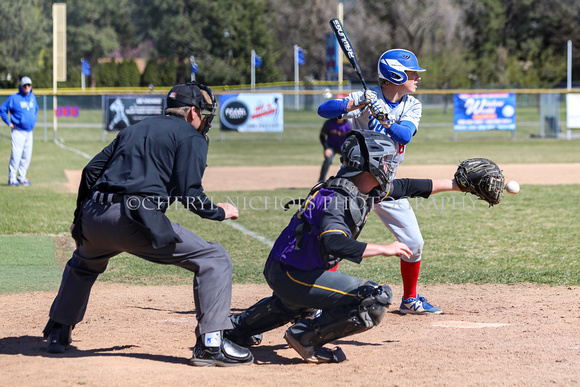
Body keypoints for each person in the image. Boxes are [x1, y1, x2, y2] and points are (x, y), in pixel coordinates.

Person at [42, 82, 254, 367]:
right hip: (135, 217)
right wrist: (219, 211)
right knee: (213, 258)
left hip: (94, 216)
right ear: (192, 111)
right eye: (204, 114)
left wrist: (78, 221)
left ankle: (58, 331)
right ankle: (211, 345)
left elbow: (91, 171)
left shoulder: (134, 128)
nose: (204, 120)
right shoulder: (191, 137)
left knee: (84, 263)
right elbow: (189, 194)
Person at [225, 130, 463, 364]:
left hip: (287, 269)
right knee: (375, 298)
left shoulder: (360, 187)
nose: (391, 166)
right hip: (292, 274)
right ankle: (305, 337)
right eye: (387, 161)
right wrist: (384, 248)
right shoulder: (339, 198)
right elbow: (334, 242)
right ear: (370, 164)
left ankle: (236, 328)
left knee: (293, 305)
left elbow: (409, 186)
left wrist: (459, 185)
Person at [317, 49, 440, 314]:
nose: (417, 77)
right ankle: (318, 302)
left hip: (386, 185)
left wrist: (383, 116)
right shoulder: (366, 97)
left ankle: (410, 300)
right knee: (338, 242)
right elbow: (323, 110)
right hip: (354, 184)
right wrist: (355, 103)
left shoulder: (411, 104)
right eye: (411, 73)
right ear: (395, 74)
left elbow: (404, 135)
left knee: (414, 243)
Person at [0, 76, 39, 186]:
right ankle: (12, 178)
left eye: (29, 85)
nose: (27, 87)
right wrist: (9, 123)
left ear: (31, 86)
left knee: (27, 156)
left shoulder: (32, 97)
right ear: (21, 86)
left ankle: (21, 177)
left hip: (29, 131)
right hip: (18, 131)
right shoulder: (14, 98)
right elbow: (2, 110)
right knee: (16, 155)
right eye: (25, 85)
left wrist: (33, 120)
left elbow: (35, 110)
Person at [318, 116, 352, 183]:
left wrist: (348, 149)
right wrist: (326, 148)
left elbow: (351, 139)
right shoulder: (329, 123)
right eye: (339, 115)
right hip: (331, 146)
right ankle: (321, 181)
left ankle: (348, 180)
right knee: (328, 160)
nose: (340, 117)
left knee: (348, 161)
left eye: (342, 115)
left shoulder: (348, 125)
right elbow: (322, 136)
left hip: (342, 146)